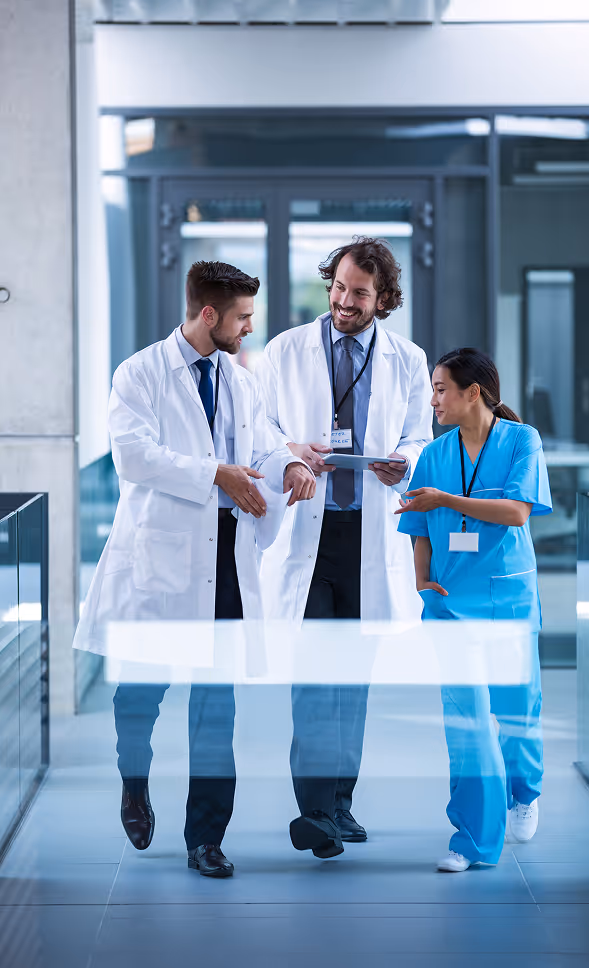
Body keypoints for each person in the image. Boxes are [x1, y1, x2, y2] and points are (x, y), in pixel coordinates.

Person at [73, 261, 315, 878]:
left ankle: (205, 838)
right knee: (139, 698)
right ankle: (134, 783)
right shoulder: (141, 373)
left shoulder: (241, 380)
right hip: (160, 561)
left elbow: (260, 441)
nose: (250, 328)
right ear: (209, 315)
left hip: (225, 565)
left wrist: (287, 465)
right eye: (242, 317)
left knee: (216, 708)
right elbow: (133, 456)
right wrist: (216, 474)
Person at [255, 237, 433, 857]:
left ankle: (340, 804)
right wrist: (290, 456)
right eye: (338, 288)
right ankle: (317, 813)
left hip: (368, 532)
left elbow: (419, 437)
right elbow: (263, 427)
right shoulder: (285, 350)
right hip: (310, 530)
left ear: (383, 299)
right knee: (312, 675)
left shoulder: (409, 360)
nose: (344, 301)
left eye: (359, 293)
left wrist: (401, 463)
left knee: (354, 675)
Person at [395, 347, 552, 873]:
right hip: (449, 603)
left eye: (441, 389)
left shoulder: (521, 440)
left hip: (507, 597)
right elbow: (417, 524)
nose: (433, 399)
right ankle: (472, 839)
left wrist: (445, 500)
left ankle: (524, 792)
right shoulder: (434, 454)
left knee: (516, 709)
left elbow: (515, 510)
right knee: (467, 724)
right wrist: (422, 577)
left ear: (473, 393)